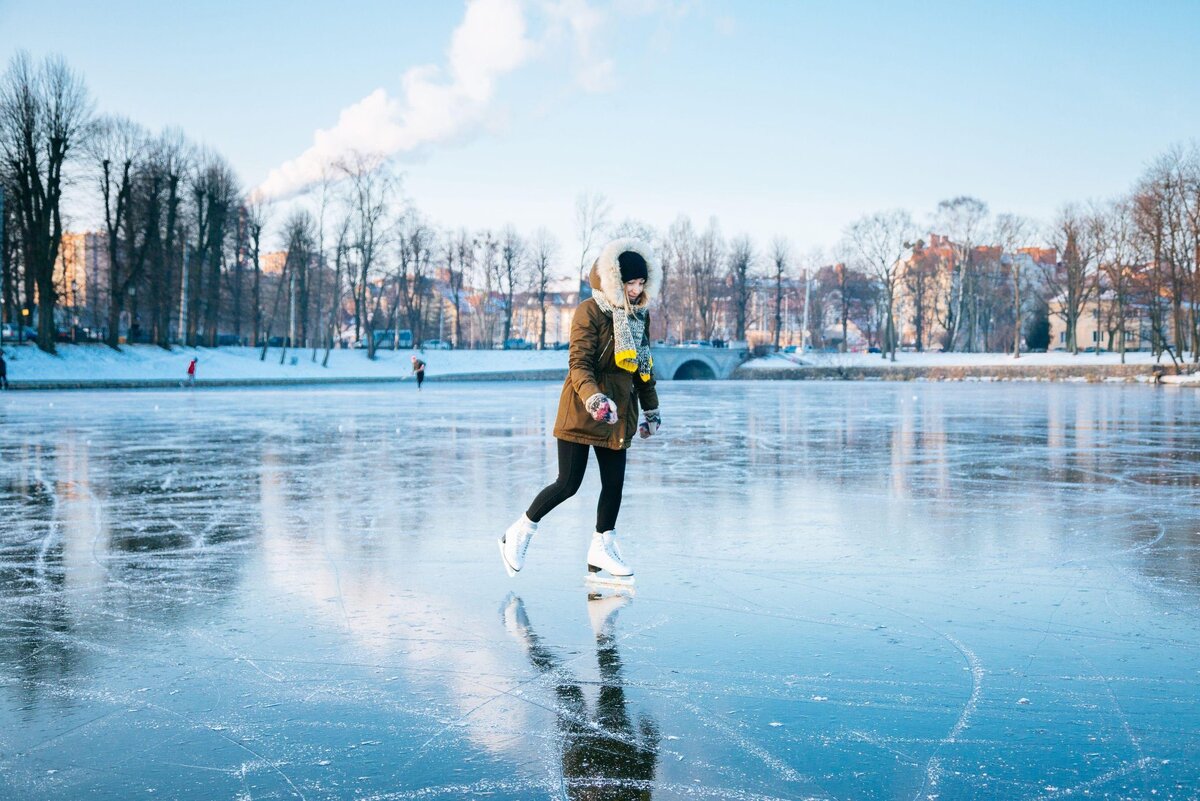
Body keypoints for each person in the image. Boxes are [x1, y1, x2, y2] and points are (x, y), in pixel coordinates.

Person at [499, 238, 662, 585]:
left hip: (619, 414)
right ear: (616, 280)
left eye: (641, 284)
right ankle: (518, 532)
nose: (636, 290)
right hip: (583, 408)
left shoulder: (639, 316)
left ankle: (601, 548)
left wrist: (651, 409)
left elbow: (643, 366)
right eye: (631, 283)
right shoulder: (591, 310)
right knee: (568, 483)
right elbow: (579, 364)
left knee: (613, 484)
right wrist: (595, 399)